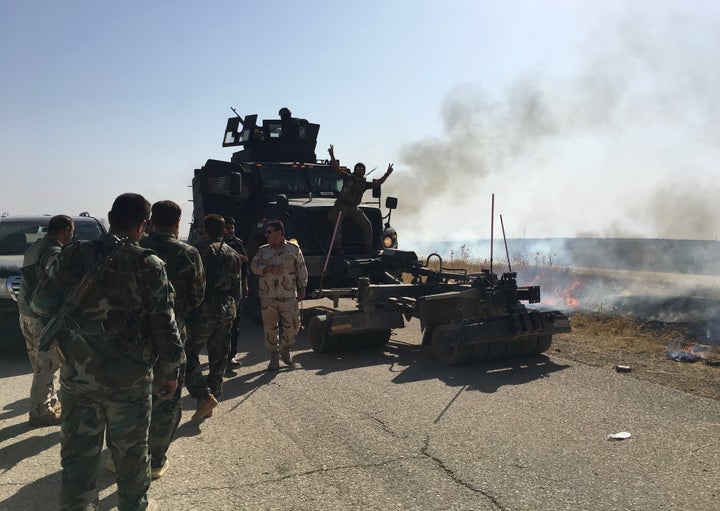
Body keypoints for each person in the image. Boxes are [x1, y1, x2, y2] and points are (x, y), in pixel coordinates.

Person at [31, 193, 183, 511]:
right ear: (145, 224)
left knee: (78, 457)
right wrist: (170, 373)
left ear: (110, 217)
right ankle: (133, 505)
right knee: (131, 453)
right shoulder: (149, 264)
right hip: (130, 380)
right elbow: (164, 326)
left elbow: (40, 304)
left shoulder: (71, 254)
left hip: (79, 378)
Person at [138, 200, 205, 477]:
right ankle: (154, 461)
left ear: (151, 220)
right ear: (178, 222)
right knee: (166, 397)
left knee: (133, 396)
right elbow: (198, 296)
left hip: (133, 337)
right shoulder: (188, 253)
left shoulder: (137, 248)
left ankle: (123, 455)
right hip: (171, 334)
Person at [17, 214, 74, 428]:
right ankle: (40, 412)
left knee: (39, 362)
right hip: (42, 317)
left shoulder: (34, 248)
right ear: (65, 230)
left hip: (26, 313)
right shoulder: (54, 252)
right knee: (48, 364)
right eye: (71, 232)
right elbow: (57, 283)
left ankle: (49, 403)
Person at [185, 214, 241, 422]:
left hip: (203, 309)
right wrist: (235, 309)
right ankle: (211, 398)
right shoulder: (233, 253)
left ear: (205, 230)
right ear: (224, 230)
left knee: (186, 354)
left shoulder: (199, 251)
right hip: (226, 308)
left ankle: (203, 395)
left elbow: (191, 283)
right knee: (219, 356)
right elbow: (237, 286)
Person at [250, 220, 308, 370]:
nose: (266, 235)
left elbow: (301, 268)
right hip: (267, 296)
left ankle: (285, 347)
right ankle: (273, 357)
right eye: (266, 232)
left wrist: (302, 287)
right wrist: (267, 268)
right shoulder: (263, 250)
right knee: (270, 329)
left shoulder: (294, 249)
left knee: (293, 327)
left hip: (288, 295)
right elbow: (254, 267)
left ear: (279, 233)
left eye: (269, 232)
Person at [327, 144, 394, 253]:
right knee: (337, 228)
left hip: (353, 208)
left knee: (367, 225)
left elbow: (376, 184)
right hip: (341, 207)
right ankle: (337, 248)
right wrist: (332, 155)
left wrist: (387, 174)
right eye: (358, 168)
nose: (360, 170)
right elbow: (336, 168)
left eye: (362, 169)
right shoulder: (347, 177)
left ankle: (368, 248)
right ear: (355, 170)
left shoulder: (364, 184)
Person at [223, 216, 249, 374]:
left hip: (236, 289)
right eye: (227, 228)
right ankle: (221, 358)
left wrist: (245, 285)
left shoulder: (238, 243)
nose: (230, 231)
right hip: (220, 291)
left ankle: (231, 356)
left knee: (235, 324)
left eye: (232, 228)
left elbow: (245, 265)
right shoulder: (216, 245)